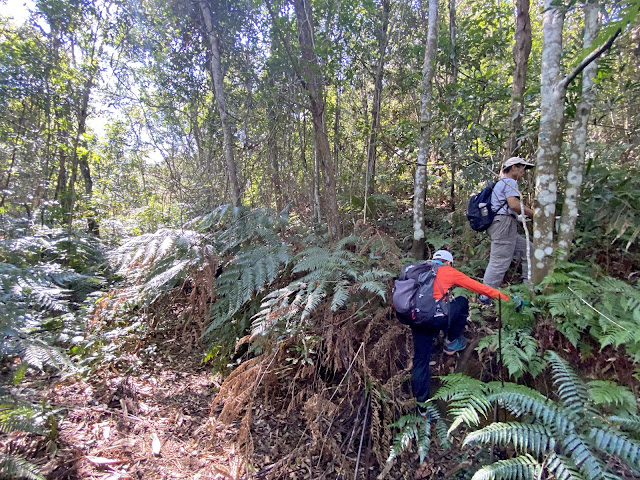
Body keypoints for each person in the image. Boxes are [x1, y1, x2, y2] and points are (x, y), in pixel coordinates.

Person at [411, 250, 509, 415]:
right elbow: (481, 288)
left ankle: (422, 408)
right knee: (462, 302)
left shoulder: (417, 268)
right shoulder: (448, 271)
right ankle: (451, 342)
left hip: (415, 317)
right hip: (433, 318)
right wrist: (508, 299)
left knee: (421, 361)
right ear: (449, 262)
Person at [480, 157, 535, 303]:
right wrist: (535, 214)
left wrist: (520, 218)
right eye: (522, 167)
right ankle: (485, 296)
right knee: (500, 260)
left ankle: (527, 287)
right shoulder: (510, 182)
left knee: (528, 250)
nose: (524, 171)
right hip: (503, 225)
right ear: (513, 168)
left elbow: (507, 208)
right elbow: (514, 204)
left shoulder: (501, 183)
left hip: (503, 224)